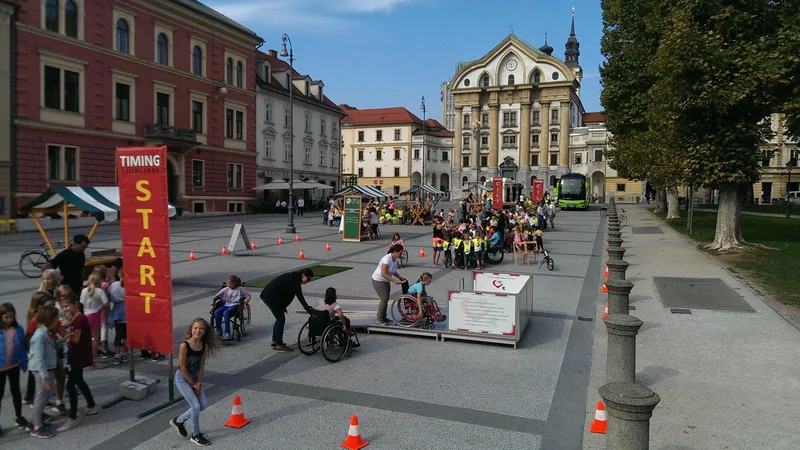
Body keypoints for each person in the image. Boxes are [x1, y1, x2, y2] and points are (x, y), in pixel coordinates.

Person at [169, 319, 218, 447]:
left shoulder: (204, 345)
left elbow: (201, 366)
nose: (198, 330)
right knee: (195, 406)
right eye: (195, 328)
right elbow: (183, 367)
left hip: (195, 378)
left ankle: (178, 421)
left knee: (202, 405)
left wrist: (199, 383)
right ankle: (196, 435)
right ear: (191, 329)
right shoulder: (184, 345)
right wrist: (193, 384)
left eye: (201, 328)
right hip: (183, 378)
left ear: (205, 331)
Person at [57, 295, 99, 432]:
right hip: (79, 355)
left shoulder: (78, 319)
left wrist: (63, 337)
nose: (65, 309)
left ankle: (72, 418)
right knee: (79, 381)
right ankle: (91, 405)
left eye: (67, 306)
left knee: (70, 385)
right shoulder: (77, 319)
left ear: (76, 304)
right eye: (63, 307)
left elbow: (75, 339)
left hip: (78, 356)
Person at [259, 269, 315, 352]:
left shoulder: (293, 277)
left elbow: (284, 292)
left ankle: (275, 341)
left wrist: (282, 306)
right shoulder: (295, 281)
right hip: (270, 297)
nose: (308, 281)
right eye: (308, 279)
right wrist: (309, 311)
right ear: (303, 275)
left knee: (279, 318)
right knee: (281, 319)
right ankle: (279, 345)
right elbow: (300, 298)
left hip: (269, 295)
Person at [27, 305, 59, 439]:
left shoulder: (46, 332)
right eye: (56, 317)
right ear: (50, 319)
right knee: (41, 397)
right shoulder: (40, 335)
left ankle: (35, 420)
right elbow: (39, 358)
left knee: (46, 395)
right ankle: (36, 427)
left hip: (48, 368)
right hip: (42, 370)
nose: (58, 320)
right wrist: (44, 376)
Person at [0, 303, 29, 432]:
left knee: (16, 392)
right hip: (0, 368)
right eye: (6, 317)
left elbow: (22, 347)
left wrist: (24, 362)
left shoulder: (18, 329)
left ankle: (19, 416)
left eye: (11, 317)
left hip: (13, 365)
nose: (9, 320)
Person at [371, 245, 406, 325]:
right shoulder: (387, 259)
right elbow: (383, 273)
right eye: (400, 253)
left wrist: (400, 277)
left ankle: (384, 317)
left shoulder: (394, 259)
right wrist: (394, 280)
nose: (401, 255)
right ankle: (379, 318)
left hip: (386, 281)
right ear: (394, 252)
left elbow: (393, 271)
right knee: (384, 299)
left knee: (386, 299)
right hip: (378, 280)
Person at [79, 272, 109, 365]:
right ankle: (93, 358)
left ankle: (86, 356)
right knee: (96, 338)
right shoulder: (99, 291)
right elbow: (107, 304)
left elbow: (81, 302)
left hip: (86, 314)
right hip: (95, 314)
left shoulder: (84, 290)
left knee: (87, 337)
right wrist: (101, 308)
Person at [212, 275, 250, 340]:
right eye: (228, 283)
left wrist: (246, 303)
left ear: (235, 283)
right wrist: (213, 303)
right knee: (216, 312)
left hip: (235, 306)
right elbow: (216, 296)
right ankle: (219, 331)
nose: (229, 285)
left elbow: (248, 295)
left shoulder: (240, 289)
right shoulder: (226, 289)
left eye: (230, 284)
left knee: (226, 313)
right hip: (226, 305)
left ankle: (227, 333)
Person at [108, 272, 128, 365]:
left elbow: (110, 297)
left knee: (118, 334)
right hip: (126, 309)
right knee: (126, 335)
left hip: (116, 310)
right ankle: (125, 352)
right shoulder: (127, 285)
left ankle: (117, 354)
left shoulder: (113, 285)